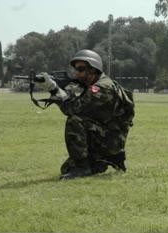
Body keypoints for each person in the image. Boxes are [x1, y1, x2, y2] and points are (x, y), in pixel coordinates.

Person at [39, 49, 135, 180]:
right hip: (110, 137)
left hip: (110, 140)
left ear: (93, 69)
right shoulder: (102, 83)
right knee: (66, 169)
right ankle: (108, 159)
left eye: (81, 69)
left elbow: (71, 109)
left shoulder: (101, 88)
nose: (77, 73)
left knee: (75, 120)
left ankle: (84, 167)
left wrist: (54, 89)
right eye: (76, 69)